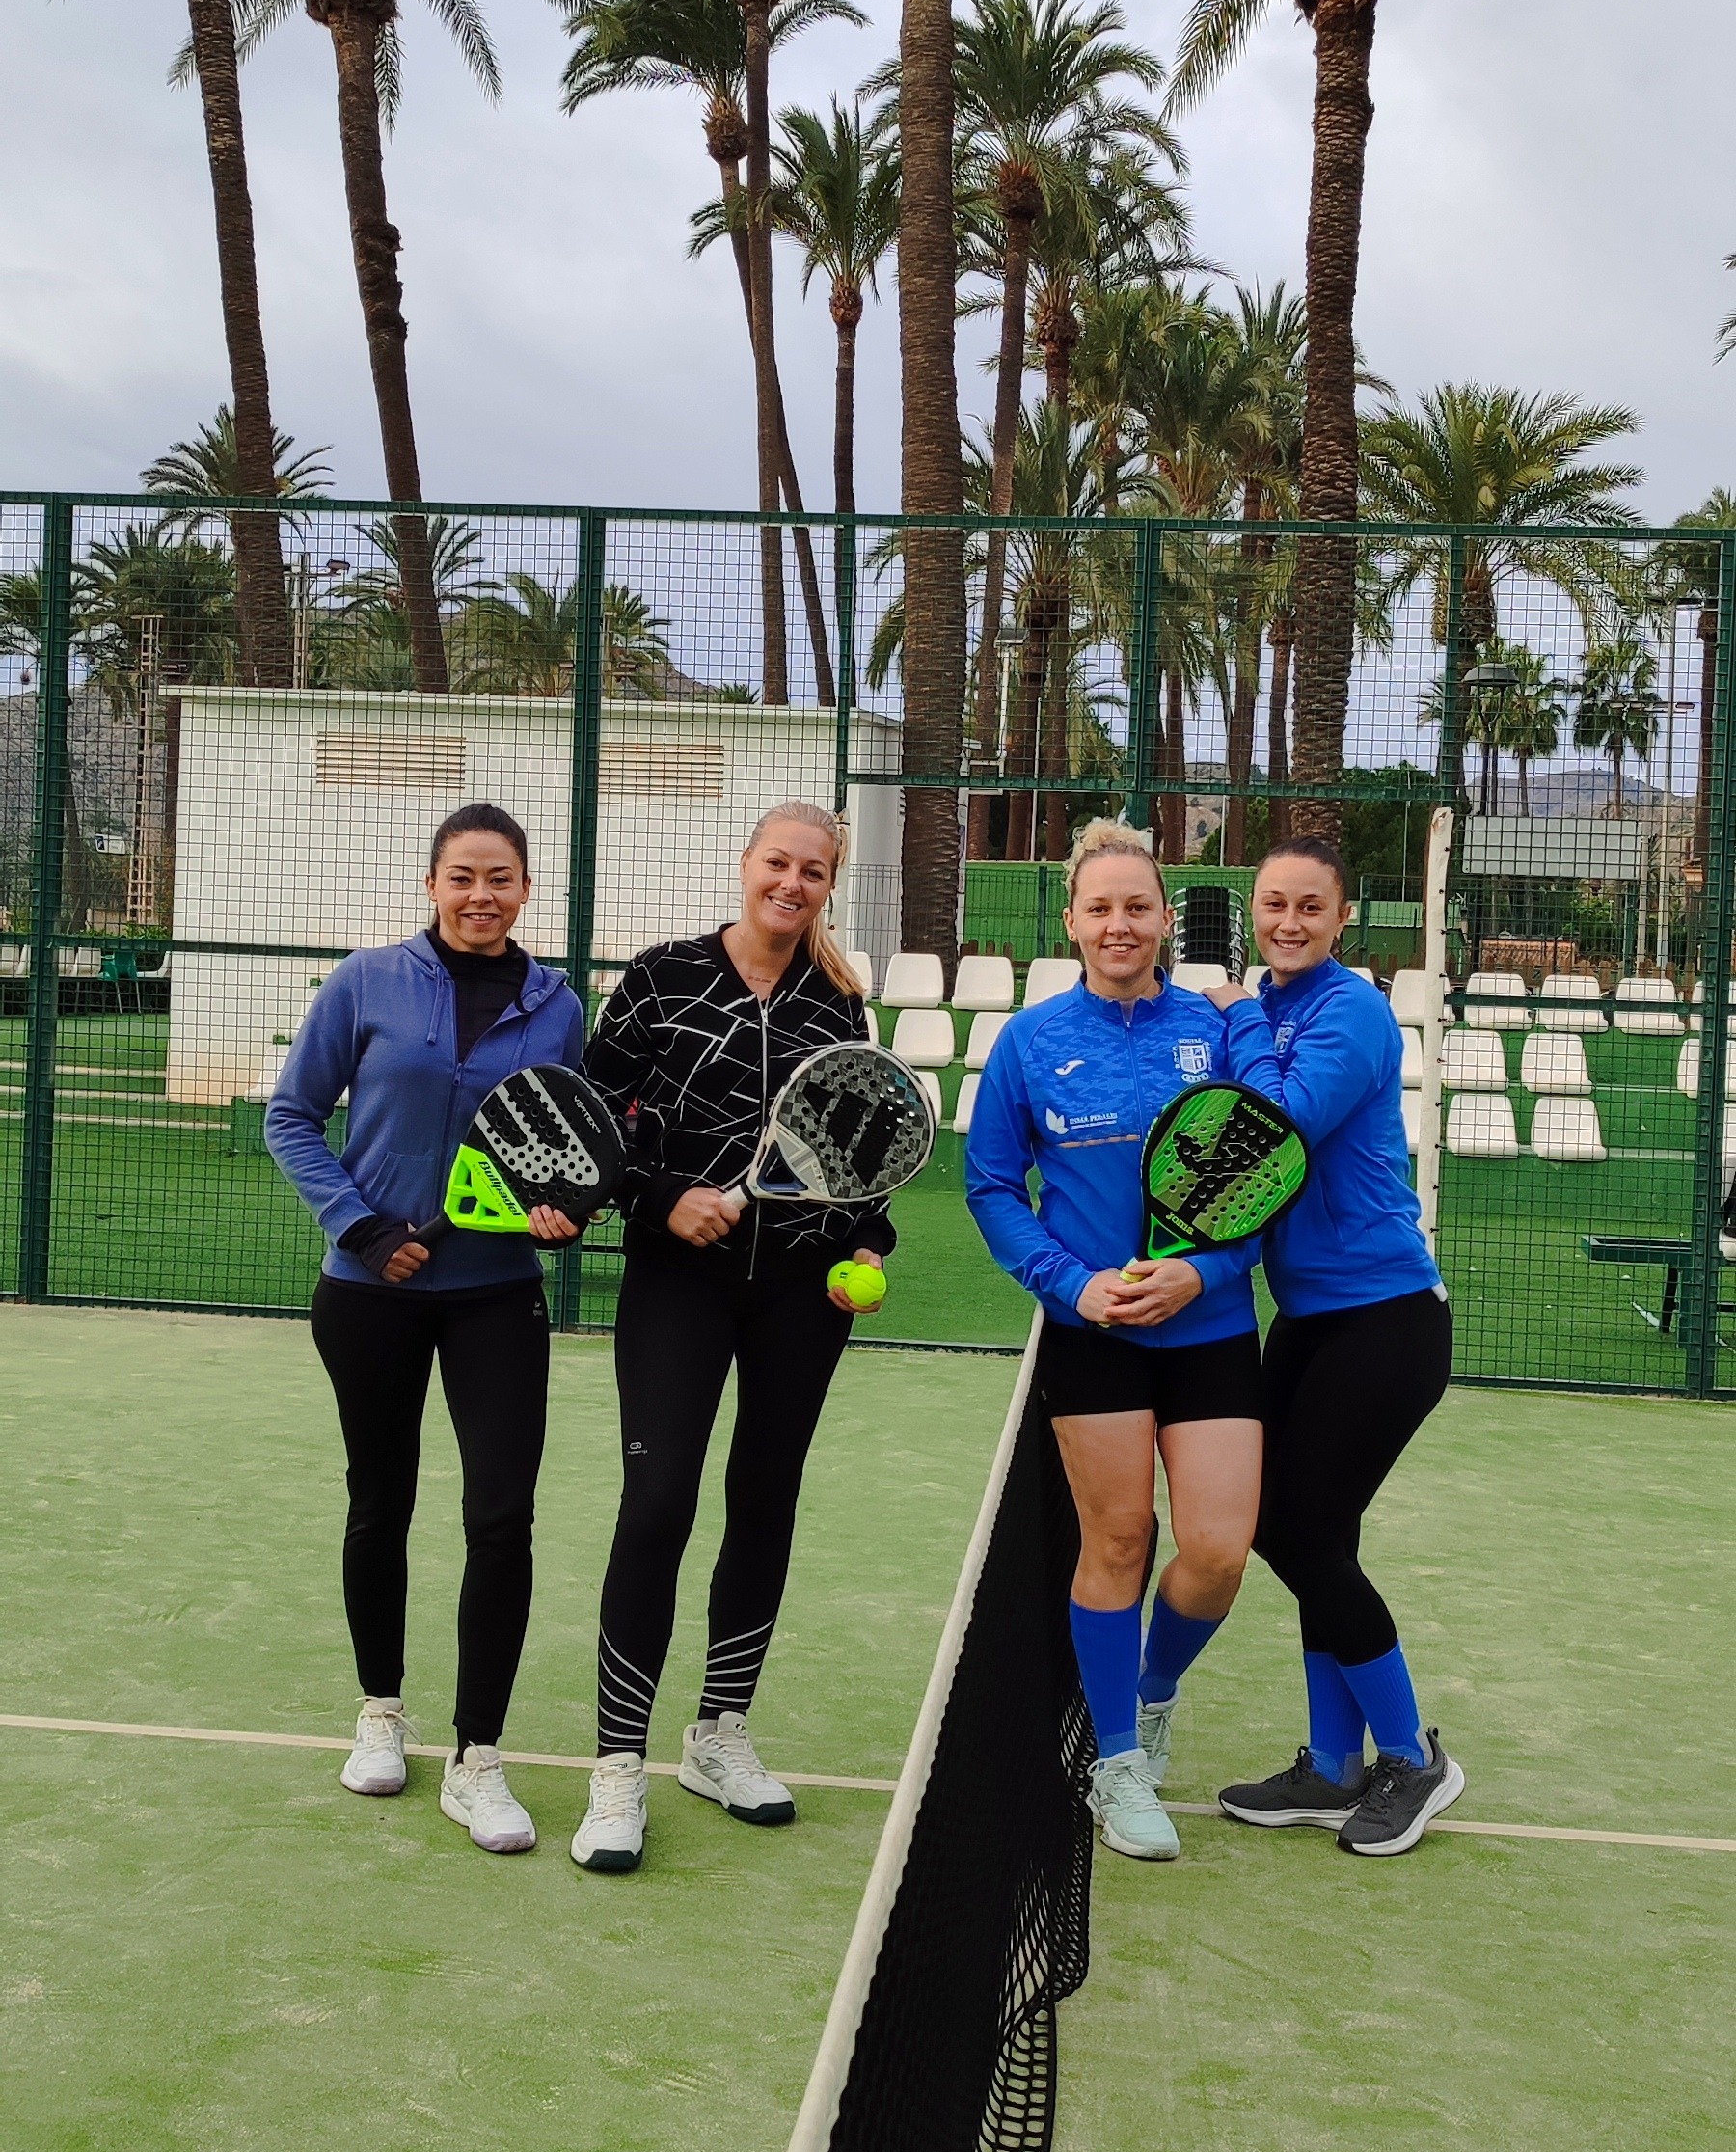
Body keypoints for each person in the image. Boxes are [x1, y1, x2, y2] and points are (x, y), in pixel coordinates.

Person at [570, 801, 892, 1878]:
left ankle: (718, 1734)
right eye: (777, 863)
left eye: (813, 872)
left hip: (803, 1294)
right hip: (679, 1287)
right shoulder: (662, 978)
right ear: (746, 864)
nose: (791, 884)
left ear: (829, 886)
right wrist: (662, 1196)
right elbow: (591, 1123)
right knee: (659, 1504)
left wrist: (870, 1243)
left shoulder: (839, 1004)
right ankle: (619, 1766)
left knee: (764, 1500)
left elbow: (859, 1146)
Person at [266, 803, 587, 1856]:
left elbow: (563, 1143)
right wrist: (358, 1226)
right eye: (462, 876)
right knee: (380, 1501)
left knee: (501, 1518)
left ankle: (477, 1758)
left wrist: (562, 1211)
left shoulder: (558, 1006)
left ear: (526, 889)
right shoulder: (366, 981)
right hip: (368, 1294)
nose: (481, 895)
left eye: (500, 878)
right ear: (432, 883)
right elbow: (291, 1115)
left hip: (497, 1295)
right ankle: (380, 1712)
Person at [964, 820, 1264, 1863]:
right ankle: (1119, 1761)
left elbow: (1263, 1174)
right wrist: (1074, 1287)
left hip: (1211, 1323)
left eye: (1137, 905)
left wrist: (1204, 1272)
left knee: (1218, 1553)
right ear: (1072, 922)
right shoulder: (1030, 1040)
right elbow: (992, 1187)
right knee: (1122, 1540)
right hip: (1091, 1331)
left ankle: (1152, 1687)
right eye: (1100, 907)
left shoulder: (1217, 1031)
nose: (1119, 924)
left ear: (1166, 917)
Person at [1207, 837, 1464, 1859]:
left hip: (1387, 1318)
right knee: (1301, 1534)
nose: (1289, 921)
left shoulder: (1350, 1009)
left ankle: (1410, 1756)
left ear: (1343, 917)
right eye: (1274, 903)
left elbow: (1276, 1121)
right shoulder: (1269, 1007)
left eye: (1311, 906)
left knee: (1303, 1535)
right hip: (1306, 1318)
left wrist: (1236, 1016)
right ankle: (1331, 1764)